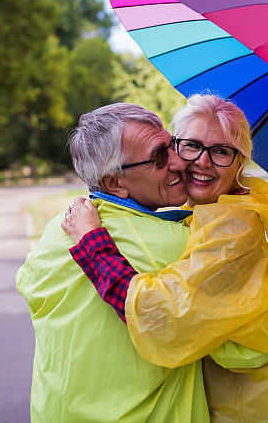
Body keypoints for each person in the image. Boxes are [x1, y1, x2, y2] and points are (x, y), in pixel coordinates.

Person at [62, 94, 268, 422]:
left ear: (241, 162)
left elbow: (162, 312)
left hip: (235, 403)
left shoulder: (234, 228)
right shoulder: (203, 209)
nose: (202, 162)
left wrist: (92, 244)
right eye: (191, 145)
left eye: (222, 151)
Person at [16, 103, 211, 422]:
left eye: (173, 143)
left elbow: (28, 282)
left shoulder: (58, 227)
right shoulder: (176, 246)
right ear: (115, 184)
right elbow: (242, 352)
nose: (179, 162)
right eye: (160, 156)